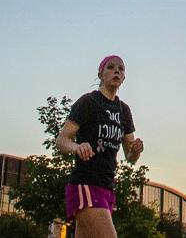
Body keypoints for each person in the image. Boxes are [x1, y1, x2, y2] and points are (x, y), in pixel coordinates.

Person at [58, 56, 143, 238]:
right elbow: (62, 140)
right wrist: (77, 147)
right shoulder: (88, 102)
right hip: (86, 184)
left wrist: (135, 151)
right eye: (111, 67)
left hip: (107, 187)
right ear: (101, 75)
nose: (117, 71)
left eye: (121, 68)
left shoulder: (124, 110)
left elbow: (130, 157)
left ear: (124, 77)